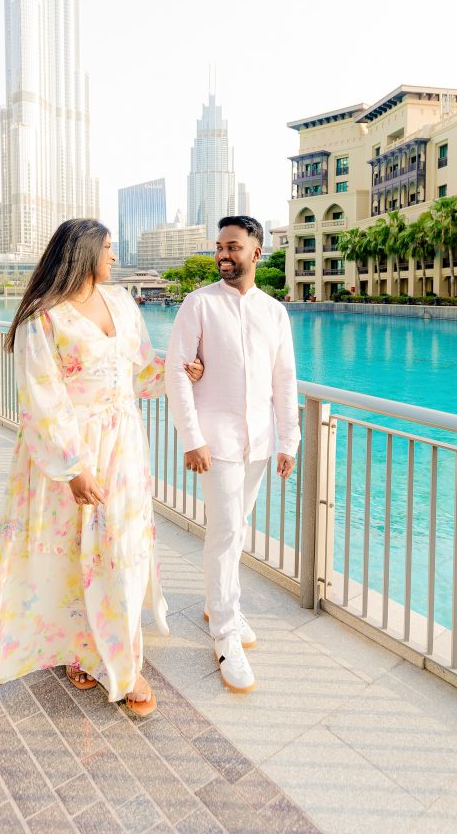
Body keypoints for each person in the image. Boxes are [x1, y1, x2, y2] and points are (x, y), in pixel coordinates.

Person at [0, 218, 203, 716]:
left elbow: (141, 369)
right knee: (72, 551)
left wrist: (180, 372)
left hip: (124, 446)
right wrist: (73, 468)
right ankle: (81, 648)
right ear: (83, 252)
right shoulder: (43, 316)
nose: (114, 256)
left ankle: (121, 659)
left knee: (122, 548)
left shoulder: (122, 302)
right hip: (69, 453)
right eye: (108, 248)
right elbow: (41, 397)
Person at [165, 215, 300, 693]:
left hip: (259, 442)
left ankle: (218, 603)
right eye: (219, 247)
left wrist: (289, 440)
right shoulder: (198, 304)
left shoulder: (274, 313)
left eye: (233, 247)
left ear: (256, 252)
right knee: (224, 533)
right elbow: (177, 372)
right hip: (215, 442)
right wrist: (192, 438)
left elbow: (285, 380)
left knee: (237, 527)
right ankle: (224, 633)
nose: (223, 255)